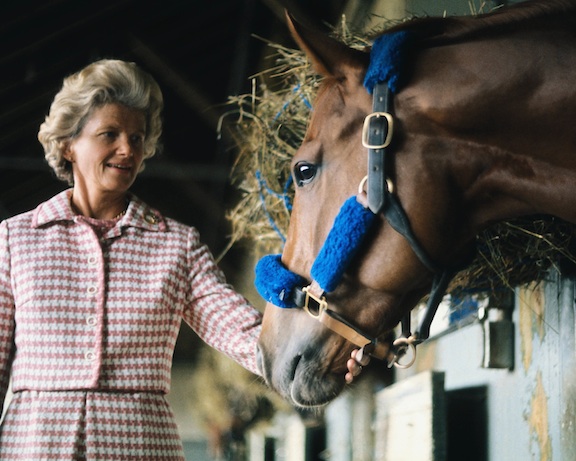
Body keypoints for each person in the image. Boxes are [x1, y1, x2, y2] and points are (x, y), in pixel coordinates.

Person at [0, 59, 366, 459]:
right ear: (69, 144)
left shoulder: (175, 245)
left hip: (140, 443)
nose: (127, 149)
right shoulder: (15, 240)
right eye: (110, 134)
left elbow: (239, 332)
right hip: (33, 443)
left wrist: (318, 358)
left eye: (138, 138)